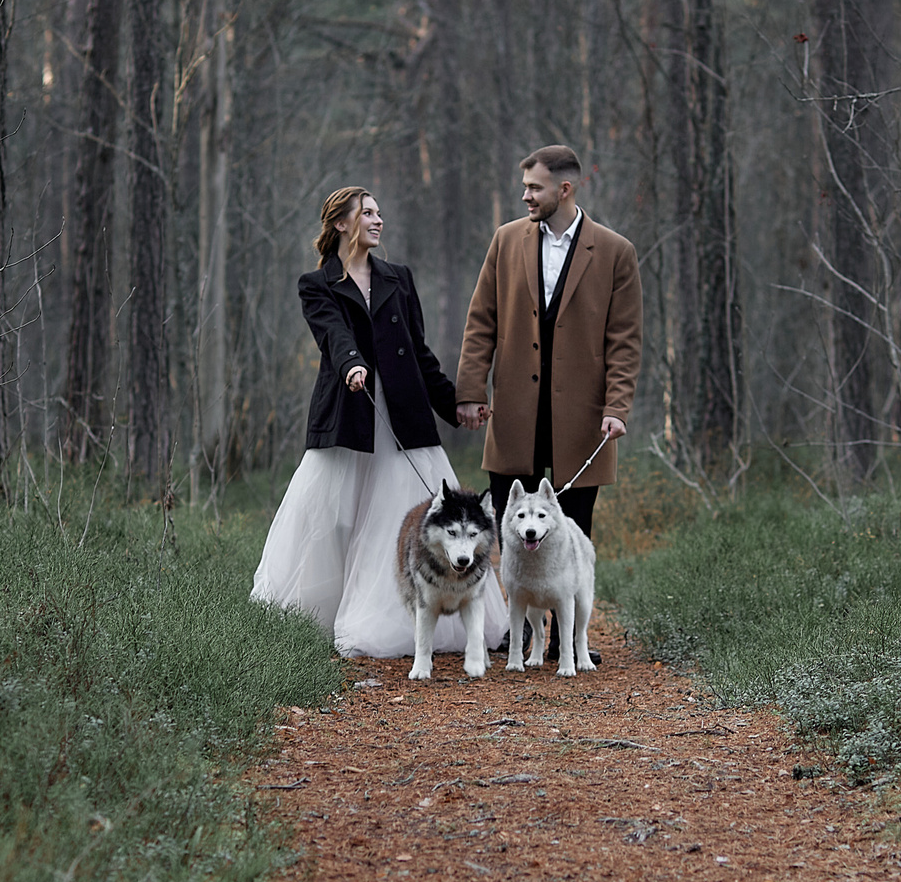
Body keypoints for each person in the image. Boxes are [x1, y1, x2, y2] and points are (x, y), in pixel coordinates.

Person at [252, 186, 506, 658]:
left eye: (379, 212)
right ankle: (317, 618)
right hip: (348, 415)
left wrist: (455, 405)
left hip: (405, 420)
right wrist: (352, 364)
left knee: (397, 518)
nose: (377, 219)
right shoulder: (317, 283)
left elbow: (420, 353)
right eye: (367, 212)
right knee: (335, 521)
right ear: (341, 223)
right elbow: (332, 333)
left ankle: (402, 623)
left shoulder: (399, 278)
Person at [456, 145, 641, 543]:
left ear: (565, 189)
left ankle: (569, 591)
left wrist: (617, 407)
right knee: (511, 533)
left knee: (571, 536)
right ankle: (517, 590)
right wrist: (470, 391)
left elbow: (624, 341)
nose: (525, 196)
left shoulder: (615, 252)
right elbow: (481, 321)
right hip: (514, 412)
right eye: (525, 187)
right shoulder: (506, 240)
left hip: (582, 418)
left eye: (534, 188)